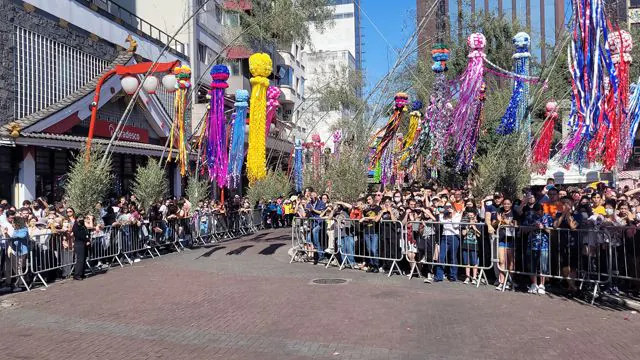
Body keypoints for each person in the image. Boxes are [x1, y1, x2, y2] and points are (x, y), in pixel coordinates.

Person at [522, 203, 552, 294]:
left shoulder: (548, 217)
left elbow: (551, 231)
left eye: (539, 211)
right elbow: (523, 229)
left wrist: (543, 227)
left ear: (542, 210)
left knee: (543, 265)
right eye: (536, 211)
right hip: (531, 244)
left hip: (544, 245)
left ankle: (542, 285)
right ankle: (534, 283)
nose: (537, 213)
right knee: (531, 265)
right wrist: (532, 227)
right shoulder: (530, 217)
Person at [435, 203, 462, 282]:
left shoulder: (457, 214)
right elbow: (442, 222)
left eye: (449, 207)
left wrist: (452, 215)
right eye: (446, 207)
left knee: (453, 257)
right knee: (441, 256)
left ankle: (453, 276)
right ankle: (439, 276)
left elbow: (455, 225)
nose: (448, 209)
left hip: (454, 236)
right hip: (445, 236)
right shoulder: (444, 215)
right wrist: (441, 213)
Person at [495, 198, 516, 290]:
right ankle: (501, 281)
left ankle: (510, 281)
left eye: (508, 203)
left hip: (511, 239)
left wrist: (505, 220)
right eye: (505, 204)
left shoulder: (514, 213)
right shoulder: (499, 212)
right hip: (502, 239)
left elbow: (515, 225)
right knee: (502, 261)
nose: (506, 205)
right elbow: (494, 225)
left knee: (510, 262)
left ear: (511, 204)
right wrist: (498, 220)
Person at [360, 194, 381, 272]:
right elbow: (362, 218)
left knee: (373, 249)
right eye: (367, 200)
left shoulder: (378, 208)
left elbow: (377, 217)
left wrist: (366, 218)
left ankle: (376, 265)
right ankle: (371, 265)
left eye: (369, 199)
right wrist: (362, 212)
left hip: (374, 231)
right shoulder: (366, 209)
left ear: (373, 199)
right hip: (366, 231)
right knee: (369, 250)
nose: (368, 201)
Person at [461, 210, 481, 284]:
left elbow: (479, 235)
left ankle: (474, 277)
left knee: (474, 262)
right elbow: (463, 234)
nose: (470, 217)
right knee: (467, 262)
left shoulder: (478, 224)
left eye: (472, 216)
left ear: (475, 216)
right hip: (466, 244)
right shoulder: (465, 224)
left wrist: (475, 228)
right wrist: (468, 227)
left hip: (474, 245)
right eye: (469, 216)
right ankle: (467, 277)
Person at [72, 215, 91, 280]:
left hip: (84, 243)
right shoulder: (75, 226)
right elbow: (79, 235)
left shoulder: (83, 225)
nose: (81, 219)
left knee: (83, 259)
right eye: (79, 218)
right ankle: (77, 275)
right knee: (80, 260)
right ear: (76, 219)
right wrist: (86, 240)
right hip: (79, 243)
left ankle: (82, 273)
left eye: (82, 217)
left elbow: (86, 233)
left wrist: (88, 240)